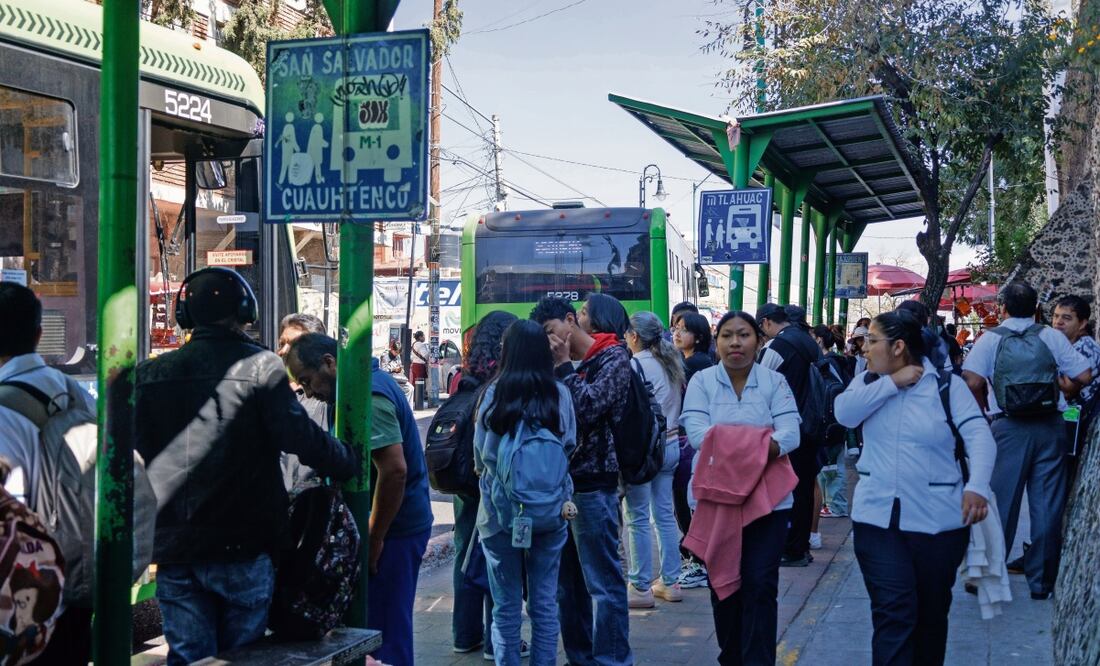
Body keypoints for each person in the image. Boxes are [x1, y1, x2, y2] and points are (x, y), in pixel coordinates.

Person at [134, 269, 357, 665]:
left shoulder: (148, 375)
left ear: (185, 315)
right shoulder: (260, 367)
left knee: (188, 657)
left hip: (175, 551)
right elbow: (302, 438)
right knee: (244, 657)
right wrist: (345, 460)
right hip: (243, 546)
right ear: (245, 312)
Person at [835, 310, 995, 665]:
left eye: (872, 341)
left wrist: (978, 486)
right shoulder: (866, 383)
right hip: (877, 519)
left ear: (898, 346)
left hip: (938, 521)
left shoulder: (946, 387)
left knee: (931, 614)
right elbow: (844, 414)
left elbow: (978, 436)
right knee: (893, 609)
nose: (865, 348)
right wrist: (892, 383)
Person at [285, 333, 432, 666]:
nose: (309, 393)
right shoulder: (358, 388)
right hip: (388, 527)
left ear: (329, 362)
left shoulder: (371, 394)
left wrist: (374, 537)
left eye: (308, 381)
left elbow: (394, 471)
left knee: (385, 632)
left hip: (395, 530)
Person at [679, 311, 801, 666]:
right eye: (727, 335)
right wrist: (762, 442)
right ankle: (731, 658)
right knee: (723, 583)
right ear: (716, 342)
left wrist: (727, 442)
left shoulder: (774, 383)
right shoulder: (701, 381)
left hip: (768, 502)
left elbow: (791, 434)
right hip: (716, 501)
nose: (736, 342)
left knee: (761, 584)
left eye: (744, 335)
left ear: (758, 341)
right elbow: (699, 434)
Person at [961, 281, 1091, 601]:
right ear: (1037, 309)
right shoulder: (1050, 336)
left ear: (1003, 308)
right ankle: (1041, 582)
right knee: (1046, 505)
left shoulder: (990, 339)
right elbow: (1084, 376)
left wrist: (982, 412)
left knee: (1001, 504)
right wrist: (1058, 390)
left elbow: (972, 380)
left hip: (1007, 428)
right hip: (1050, 427)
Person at [530, 295, 634, 666]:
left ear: (570, 321)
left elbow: (587, 408)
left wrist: (562, 369)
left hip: (595, 485)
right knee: (566, 587)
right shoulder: (572, 364)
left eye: (551, 331)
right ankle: (580, 657)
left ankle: (612, 660)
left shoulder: (614, 358)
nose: (551, 340)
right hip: (562, 485)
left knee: (603, 584)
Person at [0, 282, 96, 663]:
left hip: (22, 602)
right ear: (40, 334)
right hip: (73, 581)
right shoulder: (75, 393)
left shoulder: (4, 409)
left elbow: (8, 518)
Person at [474, 320, 577, 665]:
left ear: (508, 351)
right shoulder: (559, 393)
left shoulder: (495, 392)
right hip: (551, 511)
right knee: (545, 602)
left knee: (505, 608)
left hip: (500, 513)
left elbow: (482, 454)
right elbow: (570, 446)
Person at [449, 311, 520, 659]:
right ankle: (497, 642)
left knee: (464, 555)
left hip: (460, 480)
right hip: (488, 480)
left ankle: (464, 635)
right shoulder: (501, 381)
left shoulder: (463, 376)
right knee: (494, 555)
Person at [622, 311, 686, 607]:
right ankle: (671, 582)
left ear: (634, 336)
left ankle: (640, 586)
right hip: (671, 445)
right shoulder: (670, 362)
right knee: (664, 515)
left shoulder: (636, 365)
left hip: (646, 450)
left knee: (637, 518)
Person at [756, 303, 824, 567]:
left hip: (787, 426)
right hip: (810, 423)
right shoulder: (806, 340)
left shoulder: (778, 346)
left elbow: (759, 383)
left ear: (765, 323)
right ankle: (801, 546)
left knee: (787, 487)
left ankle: (791, 548)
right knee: (804, 486)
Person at [671, 311, 714, 590]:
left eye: (683, 330)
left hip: (689, 442)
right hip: (690, 441)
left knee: (688, 505)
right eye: (675, 328)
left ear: (698, 337)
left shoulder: (695, 364)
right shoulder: (693, 362)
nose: (676, 333)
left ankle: (699, 563)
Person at [276, 312, 332, 489]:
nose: (283, 351)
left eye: (292, 344)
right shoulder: (272, 390)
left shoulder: (323, 395)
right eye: (281, 344)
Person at [812, 325, 852, 530]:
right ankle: (833, 504)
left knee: (833, 467)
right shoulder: (837, 361)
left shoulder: (827, 364)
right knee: (834, 465)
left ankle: (836, 505)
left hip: (831, 421)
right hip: (837, 420)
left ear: (819, 340)